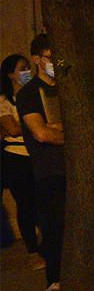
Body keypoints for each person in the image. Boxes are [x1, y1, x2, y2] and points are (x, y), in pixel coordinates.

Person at [16, 34, 65, 291]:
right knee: (55, 225)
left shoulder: (67, 89)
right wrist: (65, 132)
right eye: (49, 57)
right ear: (37, 59)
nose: (55, 62)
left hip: (74, 169)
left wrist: (56, 127)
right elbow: (41, 133)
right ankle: (55, 279)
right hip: (49, 170)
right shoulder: (29, 93)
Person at [1, 54, 43, 270]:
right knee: (26, 205)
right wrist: (37, 125)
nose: (26, 72)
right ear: (10, 74)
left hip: (38, 155)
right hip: (17, 158)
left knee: (44, 201)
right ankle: (32, 251)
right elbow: (13, 129)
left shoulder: (36, 94)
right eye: (21, 68)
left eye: (28, 67)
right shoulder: (5, 101)